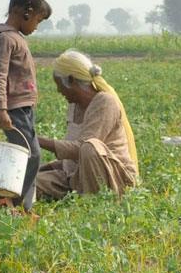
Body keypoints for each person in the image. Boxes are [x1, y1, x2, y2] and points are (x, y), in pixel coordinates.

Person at [0, 0, 51, 214]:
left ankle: (22, 207)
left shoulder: (14, 38)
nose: (36, 27)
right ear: (25, 13)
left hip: (23, 110)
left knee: (29, 157)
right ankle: (7, 204)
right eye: (37, 20)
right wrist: (1, 110)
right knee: (31, 156)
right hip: (14, 110)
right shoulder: (7, 39)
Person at [36, 50, 139, 200]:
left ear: (71, 80)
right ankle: (79, 194)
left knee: (89, 147)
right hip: (75, 177)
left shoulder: (105, 102)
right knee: (28, 183)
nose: (59, 90)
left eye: (59, 84)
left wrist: (36, 139)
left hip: (113, 179)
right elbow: (74, 157)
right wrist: (48, 168)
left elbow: (81, 149)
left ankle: (95, 201)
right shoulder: (74, 105)